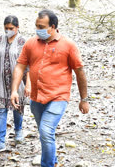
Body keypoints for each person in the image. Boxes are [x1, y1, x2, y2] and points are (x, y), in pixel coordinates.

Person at [11, 10, 89, 167]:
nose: (37, 29)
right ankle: (53, 159)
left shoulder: (68, 45)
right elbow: (20, 67)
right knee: (44, 133)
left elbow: (79, 72)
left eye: (41, 26)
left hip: (58, 97)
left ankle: (47, 164)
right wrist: (14, 90)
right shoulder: (31, 43)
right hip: (36, 98)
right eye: (36, 26)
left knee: (46, 132)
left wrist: (84, 99)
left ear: (53, 27)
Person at [0, 15, 31, 153]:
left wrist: (28, 84)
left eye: (11, 28)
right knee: (1, 110)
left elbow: (28, 66)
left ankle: (18, 131)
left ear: (17, 27)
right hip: (1, 80)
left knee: (17, 108)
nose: (8, 31)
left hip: (17, 81)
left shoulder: (23, 41)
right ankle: (0, 141)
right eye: (6, 28)